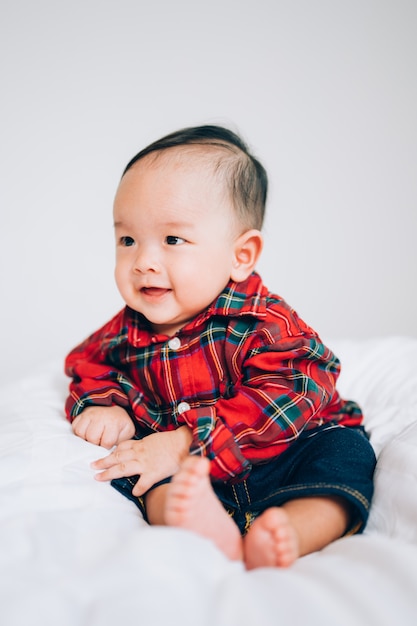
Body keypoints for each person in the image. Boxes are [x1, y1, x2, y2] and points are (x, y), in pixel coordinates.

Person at [65, 125, 376, 569]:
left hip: (288, 449)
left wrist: (185, 442)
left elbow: (297, 387)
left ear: (241, 255)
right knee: (145, 481)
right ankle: (203, 529)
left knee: (344, 458)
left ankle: (292, 530)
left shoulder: (263, 321)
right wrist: (104, 403)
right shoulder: (125, 330)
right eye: (127, 240)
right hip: (198, 477)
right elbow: (88, 363)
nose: (143, 261)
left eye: (173, 239)